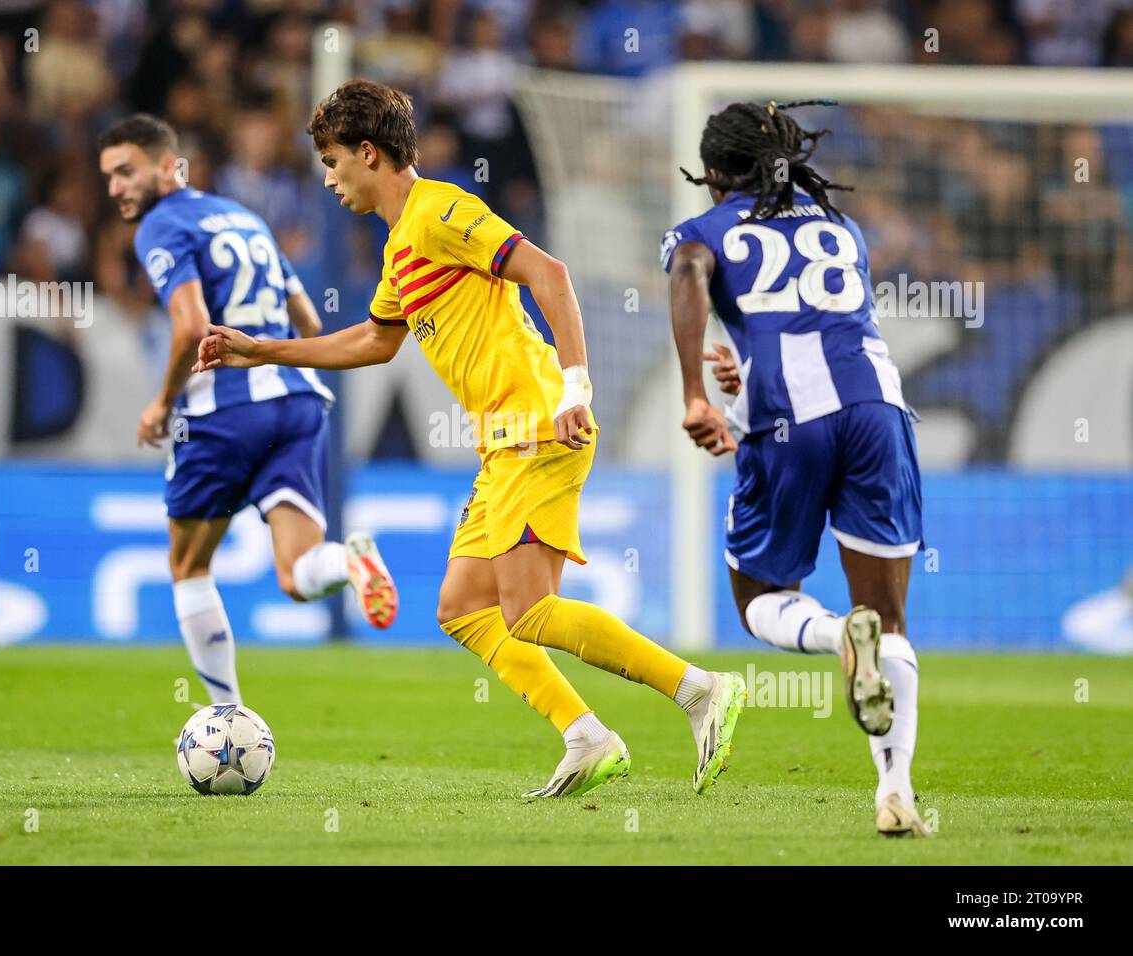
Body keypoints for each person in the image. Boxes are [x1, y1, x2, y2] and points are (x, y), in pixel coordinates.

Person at [193, 79, 745, 799]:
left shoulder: (443, 209)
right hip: (501, 437)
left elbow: (549, 273)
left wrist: (576, 386)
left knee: (530, 610)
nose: (329, 181)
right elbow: (373, 339)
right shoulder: (400, 249)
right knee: (461, 606)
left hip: (540, 420)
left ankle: (699, 690)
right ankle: (587, 736)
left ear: (369, 152)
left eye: (333, 163)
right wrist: (262, 350)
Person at [663, 99, 930, 836]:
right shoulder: (842, 229)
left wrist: (695, 390)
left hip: (787, 422)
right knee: (893, 619)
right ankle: (895, 792)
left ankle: (838, 635)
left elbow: (689, 269)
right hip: (878, 410)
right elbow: (818, 326)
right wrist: (743, 369)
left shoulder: (704, 231)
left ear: (716, 173)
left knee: (760, 599)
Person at [97, 113, 398, 708]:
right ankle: (351, 560)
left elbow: (188, 326)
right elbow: (310, 322)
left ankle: (227, 716)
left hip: (224, 412)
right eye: (108, 177)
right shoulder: (244, 218)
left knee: (188, 566)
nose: (116, 188)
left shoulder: (159, 226)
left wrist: (161, 404)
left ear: (166, 166)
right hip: (299, 403)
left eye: (126, 171)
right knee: (298, 573)